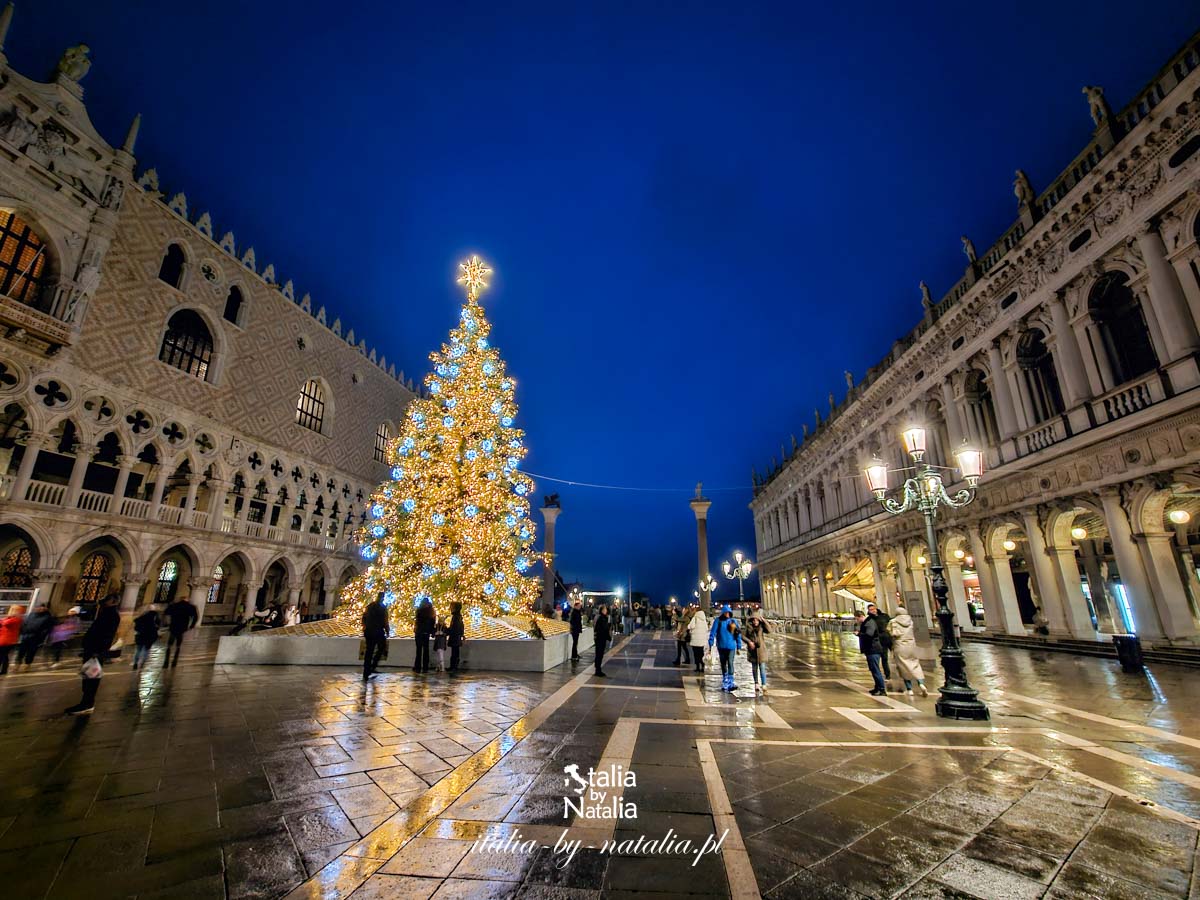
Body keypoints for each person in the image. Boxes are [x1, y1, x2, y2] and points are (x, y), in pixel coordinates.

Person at [65, 594, 120, 715]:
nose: (103, 602)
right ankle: (85, 702)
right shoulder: (105, 613)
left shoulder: (111, 615)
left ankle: (87, 703)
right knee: (88, 676)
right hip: (92, 649)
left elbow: (106, 635)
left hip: (96, 651)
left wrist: (98, 651)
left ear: (113, 601)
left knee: (91, 677)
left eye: (107, 600)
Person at [887, 604, 928, 697]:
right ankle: (921, 683)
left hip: (900, 645)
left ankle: (909, 689)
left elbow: (890, 632)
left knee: (903, 667)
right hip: (911, 645)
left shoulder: (893, 621)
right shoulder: (910, 621)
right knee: (915, 665)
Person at [708, 604, 742, 692]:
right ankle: (725, 680)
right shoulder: (718, 621)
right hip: (721, 646)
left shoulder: (733, 621)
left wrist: (739, 646)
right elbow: (713, 632)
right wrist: (710, 643)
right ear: (723, 613)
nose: (727, 614)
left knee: (730, 663)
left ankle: (731, 681)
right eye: (726, 612)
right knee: (723, 663)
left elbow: (737, 634)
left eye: (728, 612)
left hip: (731, 646)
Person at [162, 592, 199, 668]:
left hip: (173, 626)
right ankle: (174, 661)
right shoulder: (190, 607)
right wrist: (191, 626)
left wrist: (165, 623)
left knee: (169, 644)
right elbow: (195, 617)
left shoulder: (174, 605)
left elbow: (165, 613)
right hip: (182, 627)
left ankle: (166, 661)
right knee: (178, 644)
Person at [854, 610, 887, 696]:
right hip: (870, 649)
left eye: (856, 619)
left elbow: (869, 634)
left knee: (876, 670)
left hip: (873, 649)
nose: (856, 621)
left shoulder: (869, 622)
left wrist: (859, 634)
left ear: (860, 616)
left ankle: (882, 689)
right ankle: (877, 687)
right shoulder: (867, 622)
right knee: (873, 669)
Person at [362, 592, 389, 681]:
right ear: (382, 598)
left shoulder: (370, 606)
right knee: (382, 647)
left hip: (369, 630)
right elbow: (385, 620)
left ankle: (366, 671)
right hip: (377, 631)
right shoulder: (382, 608)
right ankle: (372, 666)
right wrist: (387, 630)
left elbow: (364, 617)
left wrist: (365, 627)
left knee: (369, 650)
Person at [744, 611, 770, 697]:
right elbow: (743, 636)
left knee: (762, 668)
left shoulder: (762, 627)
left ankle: (764, 684)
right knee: (754, 668)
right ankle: (756, 684)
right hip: (753, 651)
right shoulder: (748, 627)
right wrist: (749, 642)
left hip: (761, 650)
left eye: (757, 620)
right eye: (754, 620)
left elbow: (769, 630)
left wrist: (764, 620)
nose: (755, 622)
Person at [867, 603, 893, 686]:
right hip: (878, 641)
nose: (873, 611)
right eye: (870, 610)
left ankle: (891, 674)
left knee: (889, 657)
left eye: (873, 609)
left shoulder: (884, 616)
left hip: (888, 639)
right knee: (882, 658)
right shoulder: (869, 619)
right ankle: (885, 675)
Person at [131, 604, 161, 669]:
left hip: (140, 635)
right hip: (150, 635)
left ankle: (135, 663)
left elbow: (136, 627)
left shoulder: (141, 617)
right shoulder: (155, 617)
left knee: (138, 650)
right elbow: (158, 626)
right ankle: (142, 664)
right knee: (146, 650)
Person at [413, 597, 435, 673]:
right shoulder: (431, 612)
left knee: (418, 650)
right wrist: (432, 632)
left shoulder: (419, 611)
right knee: (426, 650)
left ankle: (417, 667)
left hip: (419, 632)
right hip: (426, 633)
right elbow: (433, 624)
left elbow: (417, 622)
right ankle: (425, 667)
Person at [0, 605, 24, 674]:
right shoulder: (12, 618)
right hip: (5, 639)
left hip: (7, 641)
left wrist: (4, 620)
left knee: (2, 655)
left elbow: (5, 623)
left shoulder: (17, 619)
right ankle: (4, 670)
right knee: (4, 655)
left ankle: (4, 670)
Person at [687, 606, 709, 673]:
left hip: (695, 639)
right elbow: (706, 629)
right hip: (702, 640)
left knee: (696, 654)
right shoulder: (704, 619)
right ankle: (703, 667)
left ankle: (697, 667)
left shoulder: (695, 618)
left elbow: (690, 626)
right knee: (702, 654)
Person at [593, 603, 610, 677]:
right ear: (602, 610)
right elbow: (602, 629)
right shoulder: (601, 618)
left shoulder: (601, 617)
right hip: (600, 638)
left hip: (600, 638)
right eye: (605, 609)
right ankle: (598, 670)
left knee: (599, 654)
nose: (606, 610)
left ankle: (598, 669)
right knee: (599, 654)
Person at [447, 602, 465, 673]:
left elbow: (454, 628)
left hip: (455, 637)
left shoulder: (455, 617)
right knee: (455, 652)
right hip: (457, 637)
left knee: (454, 653)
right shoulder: (458, 616)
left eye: (451, 606)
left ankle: (453, 667)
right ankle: (453, 666)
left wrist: (446, 630)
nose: (450, 608)